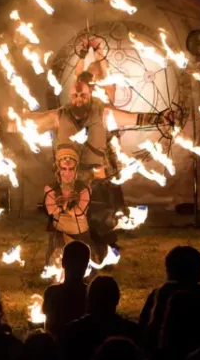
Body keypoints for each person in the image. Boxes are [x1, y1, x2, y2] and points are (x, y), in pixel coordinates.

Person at [11, 35, 178, 259]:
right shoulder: (61, 115)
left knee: (100, 221)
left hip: (97, 175)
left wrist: (160, 118)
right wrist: (4, 124)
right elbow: (31, 122)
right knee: (64, 223)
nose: (78, 98)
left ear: (90, 92)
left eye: (83, 94)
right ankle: (62, 261)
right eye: (75, 95)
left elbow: (131, 118)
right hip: (68, 179)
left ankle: (99, 257)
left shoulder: (102, 110)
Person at [43, 144, 94, 265]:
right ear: (58, 169)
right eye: (63, 169)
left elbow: (80, 213)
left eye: (71, 169)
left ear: (76, 169)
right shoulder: (50, 188)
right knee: (57, 267)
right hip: (59, 233)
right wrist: (66, 203)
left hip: (79, 234)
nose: (67, 173)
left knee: (80, 269)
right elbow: (50, 210)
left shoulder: (84, 188)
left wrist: (62, 205)